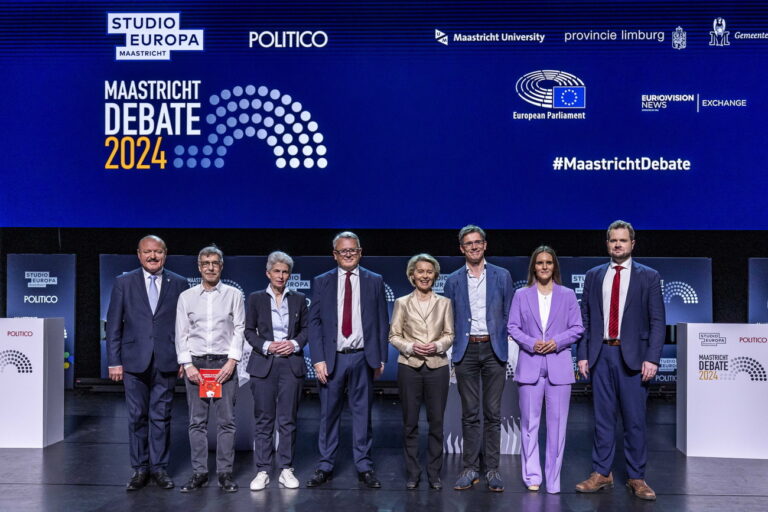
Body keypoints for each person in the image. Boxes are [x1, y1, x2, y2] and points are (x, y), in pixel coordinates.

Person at [575, 220, 665, 501]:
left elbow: (658, 320)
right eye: (613, 240)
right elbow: (586, 318)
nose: (618, 244)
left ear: (632, 244)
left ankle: (637, 477)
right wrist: (583, 354)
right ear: (607, 243)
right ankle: (602, 473)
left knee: (635, 420)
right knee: (602, 419)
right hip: (601, 354)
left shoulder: (648, 276)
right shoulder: (593, 275)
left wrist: (652, 358)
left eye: (623, 240)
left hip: (635, 359)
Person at [306, 231, 389, 489]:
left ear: (360, 252)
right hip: (332, 360)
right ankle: (325, 465)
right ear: (335, 255)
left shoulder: (375, 281)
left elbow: (382, 321)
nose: (349, 254)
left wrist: (381, 357)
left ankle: (364, 465)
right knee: (328, 414)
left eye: (353, 250)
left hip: (363, 357)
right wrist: (318, 359)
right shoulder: (322, 282)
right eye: (344, 251)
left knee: (363, 414)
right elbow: (315, 322)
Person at [106, 235, 188, 491]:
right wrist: (114, 362)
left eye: (158, 252)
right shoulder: (123, 282)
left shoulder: (180, 282)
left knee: (162, 416)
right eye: (147, 252)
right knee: (136, 417)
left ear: (165, 253)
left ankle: (160, 469)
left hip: (167, 360)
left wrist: (184, 358)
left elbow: (185, 326)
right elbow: (113, 326)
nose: (153, 256)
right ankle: (140, 469)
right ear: (139, 254)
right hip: (133, 363)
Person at [507, 246, 584, 494]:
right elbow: (513, 327)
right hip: (530, 366)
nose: (544, 266)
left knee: (558, 427)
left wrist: (557, 341)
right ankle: (532, 476)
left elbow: (577, 328)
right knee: (530, 426)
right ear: (533, 266)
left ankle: (553, 479)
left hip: (559, 367)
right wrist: (531, 343)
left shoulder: (568, 295)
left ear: (554, 266)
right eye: (539, 262)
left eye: (548, 262)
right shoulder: (521, 295)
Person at [443, 225, 514, 492]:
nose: (473, 247)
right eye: (468, 243)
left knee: (493, 413)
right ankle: (470, 467)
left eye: (477, 242)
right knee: (470, 414)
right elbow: (448, 320)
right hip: (466, 351)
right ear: (461, 248)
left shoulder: (502, 276)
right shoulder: (452, 281)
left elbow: (509, 313)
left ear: (485, 245)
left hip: (494, 350)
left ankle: (492, 470)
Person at [175, 246, 245, 493]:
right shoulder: (187, 297)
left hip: (224, 363)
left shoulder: (234, 295)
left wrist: (232, 362)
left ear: (222, 265)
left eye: (215, 262)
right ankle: (199, 473)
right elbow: (181, 333)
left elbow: (240, 329)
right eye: (206, 263)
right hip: (197, 365)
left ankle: (225, 474)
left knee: (227, 422)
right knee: (197, 422)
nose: (211, 267)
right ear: (199, 266)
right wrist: (187, 364)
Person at [389, 254, 454, 490]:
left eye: (429, 271)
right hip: (410, 367)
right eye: (420, 271)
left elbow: (450, 335)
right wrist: (410, 346)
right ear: (412, 275)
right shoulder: (402, 302)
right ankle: (413, 472)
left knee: (436, 423)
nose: (424, 275)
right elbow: (394, 335)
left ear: (435, 275)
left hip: (437, 367)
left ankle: (434, 473)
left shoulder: (444, 302)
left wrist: (436, 346)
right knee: (410, 423)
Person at [245, 251, 308, 491]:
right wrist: (267, 345)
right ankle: (262, 470)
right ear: (268, 273)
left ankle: (286, 469)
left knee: (287, 419)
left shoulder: (300, 298)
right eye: (277, 271)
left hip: (291, 363)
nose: (281, 276)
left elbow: (306, 329)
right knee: (264, 419)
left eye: (285, 272)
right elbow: (249, 330)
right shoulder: (255, 298)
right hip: (264, 363)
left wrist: (292, 344)